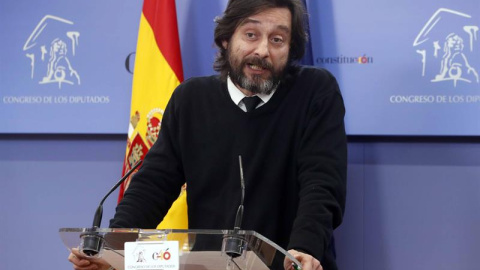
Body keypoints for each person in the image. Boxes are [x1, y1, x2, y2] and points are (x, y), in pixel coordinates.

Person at [68, 0, 347, 269]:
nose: (263, 50)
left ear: (290, 48)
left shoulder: (315, 92)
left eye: (277, 40)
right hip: (211, 265)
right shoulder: (191, 99)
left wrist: (304, 251)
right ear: (226, 39)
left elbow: (322, 184)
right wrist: (114, 248)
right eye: (251, 34)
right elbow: (153, 184)